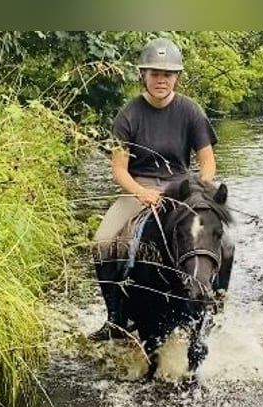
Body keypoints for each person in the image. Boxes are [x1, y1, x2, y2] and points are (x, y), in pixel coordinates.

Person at [89, 37, 221, 341]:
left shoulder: (191, 111)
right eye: (155, 74)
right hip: (140, 188)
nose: (161, 80)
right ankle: (116, 319)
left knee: (222, 241)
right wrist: (141, 192)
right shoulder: (128, 115)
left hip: (183, 189)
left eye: (168, 74)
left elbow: (207, 162)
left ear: (176, 77)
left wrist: (199, 190)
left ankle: (216, 303)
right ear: (143, 76)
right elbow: (119, 170)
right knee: (102, 241)